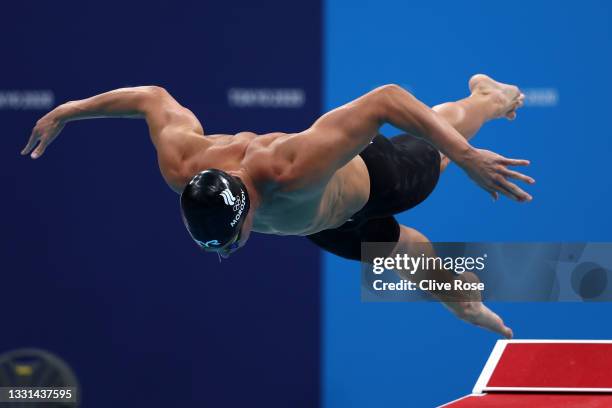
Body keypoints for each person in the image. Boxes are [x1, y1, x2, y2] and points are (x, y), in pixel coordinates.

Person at [23, 74, 533, 338]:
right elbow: (151, 98)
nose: (228, 253)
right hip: (318, 223)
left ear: (246, 214)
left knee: (436, 158)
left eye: (230, 241)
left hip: (373, 181)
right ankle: (461, 298)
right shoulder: (182, 163)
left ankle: (487, 98)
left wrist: (466, 157)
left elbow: (386, 100)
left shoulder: (294, 165)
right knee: (398, 250)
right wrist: (70, 110)